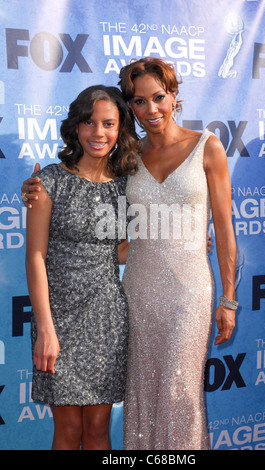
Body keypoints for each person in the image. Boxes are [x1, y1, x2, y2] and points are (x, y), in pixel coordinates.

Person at [21, 57, 237, 451]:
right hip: (108, 302)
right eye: (139, 101)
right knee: (121, 406)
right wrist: (32, 192)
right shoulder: (114, 166)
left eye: (158, 97)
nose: (150, 109)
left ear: (174, 97)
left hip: (159, 299)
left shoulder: (187, 153)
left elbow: (216, 231)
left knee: (170, 399)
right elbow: (62, 244)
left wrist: (225, 293)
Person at [24, 85, 138, 450]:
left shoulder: (125, 188)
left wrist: (180, 243)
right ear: (76, 127)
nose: (98, 133)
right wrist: (45, 329)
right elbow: (35, 257)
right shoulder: (49, 182)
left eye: (108, 124)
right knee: (69, 430)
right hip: (58, 318)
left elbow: (119, 251)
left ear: (120, 130)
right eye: (89, 122)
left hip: (106, 316)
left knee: (99, 429)